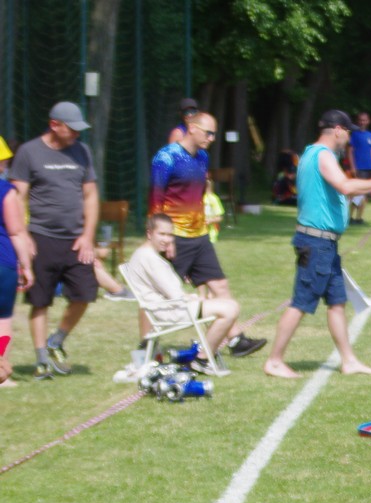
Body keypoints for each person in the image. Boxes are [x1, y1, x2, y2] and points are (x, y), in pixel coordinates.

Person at [262, 110, 371, 379]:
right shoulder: (322, 155)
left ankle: (349, 361)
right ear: (338, 130)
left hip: (325, 245)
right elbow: (345, 186)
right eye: (348, 132)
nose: (349, 139)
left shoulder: (311, 153)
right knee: (301, 302)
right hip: (316, 243)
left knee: (337, 302)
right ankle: (275, 361)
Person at [150, 111, 265, 357]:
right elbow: (156, 202)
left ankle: (236, 341)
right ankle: (146, 347)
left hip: (200, 236)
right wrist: (164, 239)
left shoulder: (203, 157)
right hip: (175, 236)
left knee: (220, 285)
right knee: (157, 293)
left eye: (214, 134)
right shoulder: (166, 157)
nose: (212, 138)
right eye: (208, 133)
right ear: (192, 128)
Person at [7, 102, 99, 379]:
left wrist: (88, 236)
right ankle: (41, 360)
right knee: (40, 301)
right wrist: (24, 235)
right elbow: (18, 197)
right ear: (54, 125)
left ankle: (56, 340)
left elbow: (90, 196)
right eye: (72, 129)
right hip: (41, 237)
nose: (77, 134)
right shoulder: (29, 152)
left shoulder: (82, 151)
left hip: (76, 239)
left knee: (85, 294)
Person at [118, 212, 242, 376]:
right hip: (169, 310)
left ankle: (203, 358)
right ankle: (202, 359)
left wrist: (194, 298)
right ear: (149, 233)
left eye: (170, 235)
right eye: (162, 234)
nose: (167, 239)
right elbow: (174, 294)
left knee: (228, 305)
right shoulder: (150, 258)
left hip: (168, 306)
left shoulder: (144, 254)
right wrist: (194, 298)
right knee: (230, 309)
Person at [1, 136, 36, 389]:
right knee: (2, 318)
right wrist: (27, 266)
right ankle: (1, 372)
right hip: (3, 263)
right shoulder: (7, 192)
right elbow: (16, 232)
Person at [346, 111, 371, 223]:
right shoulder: (354, 135)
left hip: (369, 168)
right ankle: (350, 217)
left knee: (365, 194)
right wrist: (353, 167)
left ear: (368, 121)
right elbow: (350, 151)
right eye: (360, 120)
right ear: (358, 121)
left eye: (364, 120)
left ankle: (359, 217)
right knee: (357, 193)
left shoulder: (370, 135)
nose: (362, 122)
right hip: (359, 168)